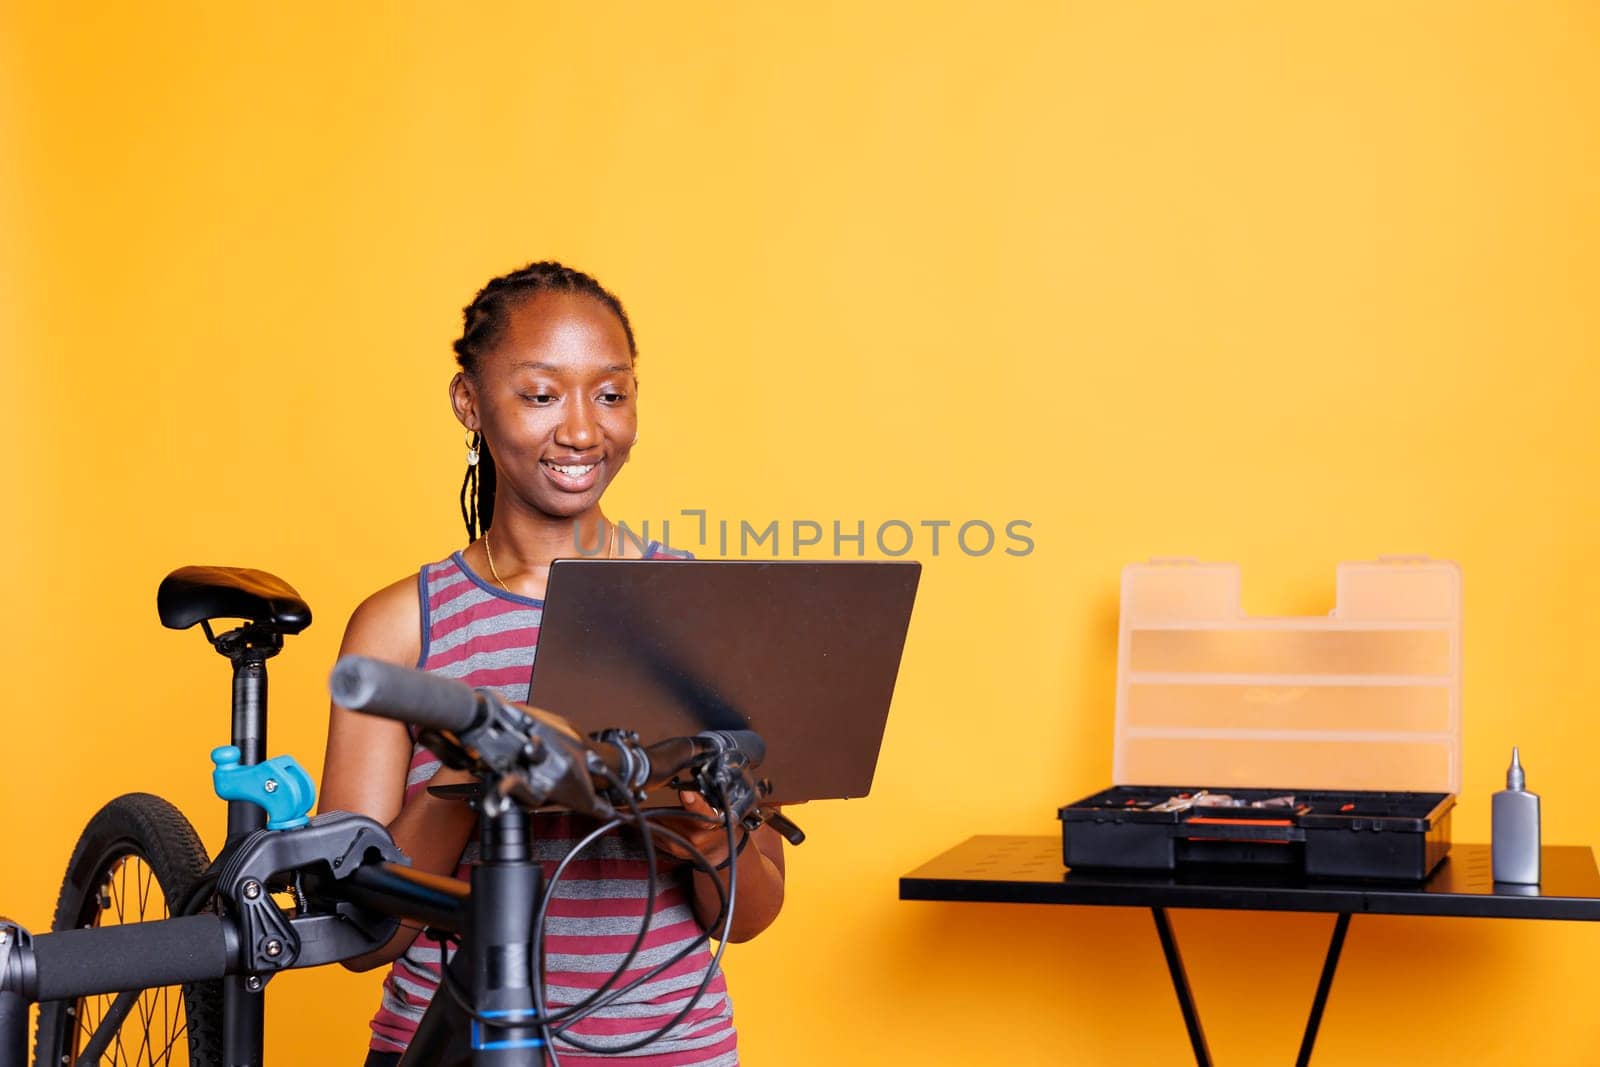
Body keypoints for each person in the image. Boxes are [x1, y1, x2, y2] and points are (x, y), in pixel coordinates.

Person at [318, 261, 786, 1066]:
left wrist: (703, 820)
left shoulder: (698, 613)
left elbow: (751, 912)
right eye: (541, 395)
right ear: (469, 401)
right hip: (451, 1048)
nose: (581, 430)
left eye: (610, 394)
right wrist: (477, 777)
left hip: (667, 1050)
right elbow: (361, 935)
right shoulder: (401, 627)